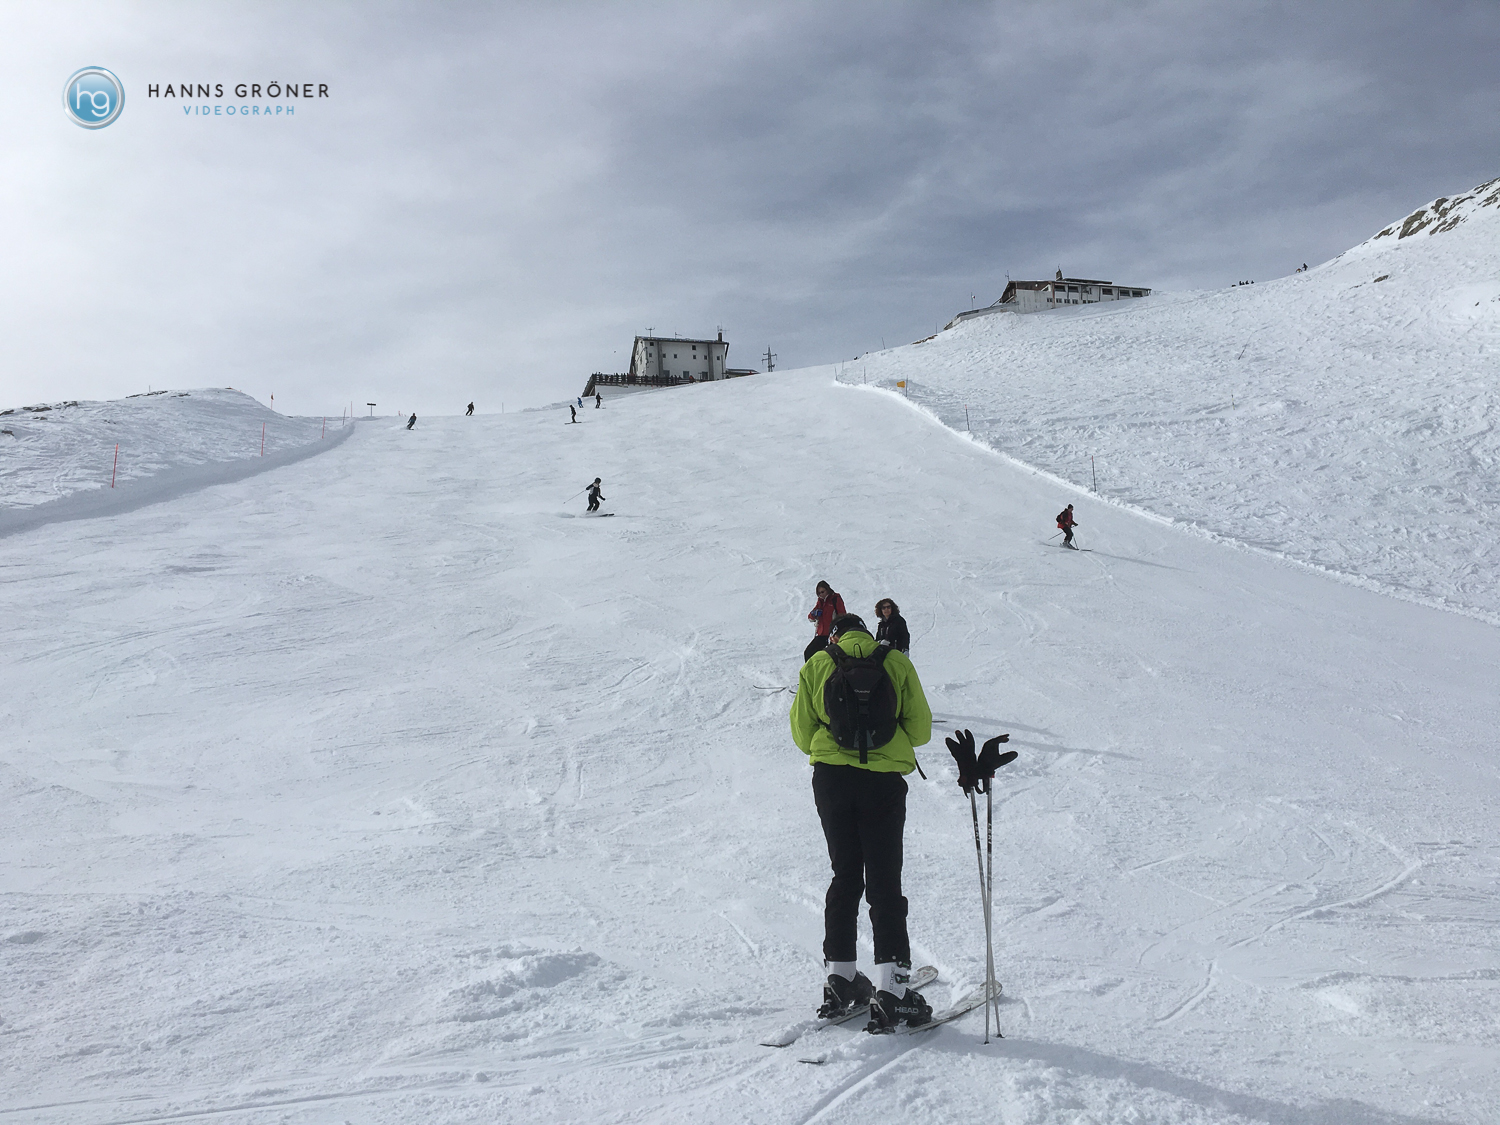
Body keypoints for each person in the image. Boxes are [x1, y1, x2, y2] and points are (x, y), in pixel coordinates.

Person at [790, 612, 934, 1033]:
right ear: (868, 635)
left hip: (832, 782)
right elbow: (921, 730)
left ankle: (841, 978)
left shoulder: (817, 663)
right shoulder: (895, 663)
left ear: (836, 635)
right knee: (885, 880)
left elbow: (802, 736)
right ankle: (893, 990)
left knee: (845, 874)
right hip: (883, 784)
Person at [804, 581, 846, 662]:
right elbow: (810, 618)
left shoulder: (835, 599)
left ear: (828, 589)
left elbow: (842, 615)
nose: (821, 594)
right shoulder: (820, 601)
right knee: (809, 652)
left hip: (832, 634)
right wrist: (814, 614)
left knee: (830, 658)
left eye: (822, 592)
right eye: (819, 593)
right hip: (821, 634)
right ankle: (811, 673)